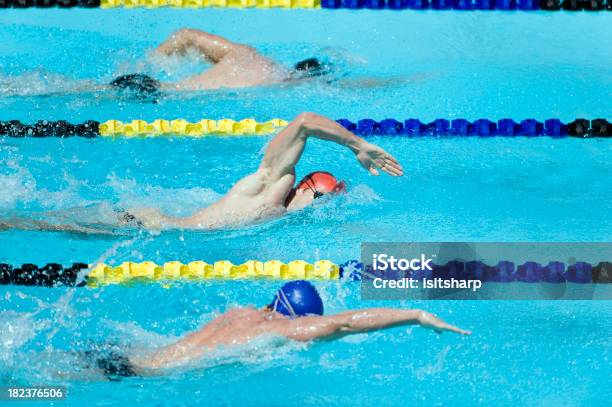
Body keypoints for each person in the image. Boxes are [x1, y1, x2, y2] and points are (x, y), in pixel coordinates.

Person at [0, 112, 403, 233]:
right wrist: (358, 145)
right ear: (301, 187)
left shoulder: (282, 211)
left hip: (154, 226)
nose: (320, 207)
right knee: (26, 226)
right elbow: (304, 122)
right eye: (320, 197)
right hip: (141, 226)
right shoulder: (270, 184)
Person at [81, 280, 470, 380]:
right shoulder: (290, 330)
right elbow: (344, 321)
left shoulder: (240, 311)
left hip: (128, 352)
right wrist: (417, 314)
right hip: (141, 374)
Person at [110, 28, 332, 99]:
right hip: (155, 96)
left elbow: (186, 35)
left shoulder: (247, 55)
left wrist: (148, 63)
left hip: (144, 83)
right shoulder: (284, 83)